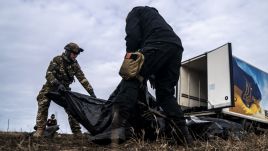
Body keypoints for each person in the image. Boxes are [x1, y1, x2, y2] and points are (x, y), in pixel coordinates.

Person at [111, 6, 193, 146]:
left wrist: (131, 60)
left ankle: (116, 132)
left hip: (158, 43)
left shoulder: (134, 12)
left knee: (131, 78)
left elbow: (133, 36)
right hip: (176, 47)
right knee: (164, 93)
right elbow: (158, 55)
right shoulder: (157, 20)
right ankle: (184, 138)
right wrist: (153, 75)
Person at [34, 42, 97, 137]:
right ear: (67, 52)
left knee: (72, 107)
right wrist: (57, 84)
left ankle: (77, 132)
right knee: (43, 102)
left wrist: (92, 93)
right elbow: (48, 74)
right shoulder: (57, 60)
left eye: (77, 54)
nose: (75, 56)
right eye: (74, 53)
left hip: (64, 90)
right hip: (50, 87)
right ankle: (40, 130)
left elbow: (82, 78)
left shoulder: (75, 64)